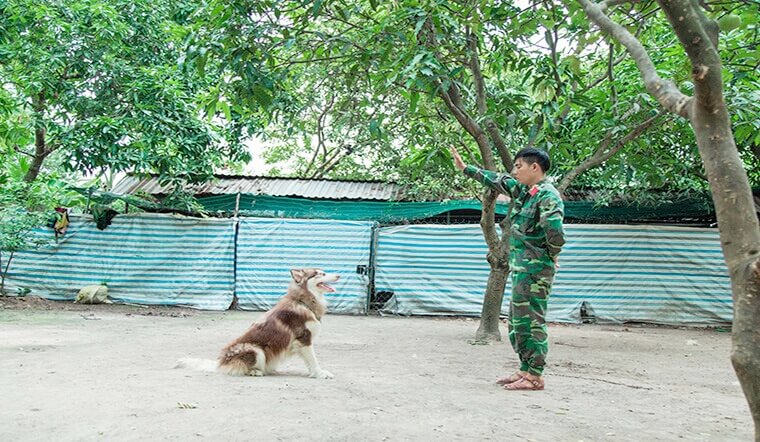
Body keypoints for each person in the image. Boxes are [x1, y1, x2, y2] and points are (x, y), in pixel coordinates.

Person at [450, 146, 566, 391]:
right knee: (517, 321)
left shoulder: (547, 195)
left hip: (536, 271)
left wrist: (552, 255)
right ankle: (524, 369)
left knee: (532, 320)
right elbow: (497, 180)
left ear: (535, 167)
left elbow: (554, 231)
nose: (515, 171)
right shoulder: (524, 190)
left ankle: (535, 375)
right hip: (523, 268)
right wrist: (465, 169)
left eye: (519, 166)